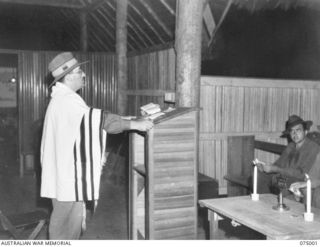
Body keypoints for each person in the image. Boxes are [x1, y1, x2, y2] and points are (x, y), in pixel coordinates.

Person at [40, 52, 153, 239]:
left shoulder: (64, 97)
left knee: (71, 221)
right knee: (63, 223)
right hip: (66, 174)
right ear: (68, 76)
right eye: (79, 71)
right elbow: (98, 121)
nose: (83, 74)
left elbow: (91, 116)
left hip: (64, 171)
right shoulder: (66, 100)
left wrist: (126, 118)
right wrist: (135, 125)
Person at [255, 115, 320, 208]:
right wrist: (266, 167)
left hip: (298, 181)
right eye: (292, 131)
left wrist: (276, 169)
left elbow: (302, 174)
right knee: (259, 175)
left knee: (280, 182)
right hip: (284, 179)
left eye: (298, 130)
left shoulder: (313, 148)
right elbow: (278, 164)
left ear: (305, 131)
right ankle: (261, 206)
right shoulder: (291, 146)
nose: (294, 134)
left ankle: (277, 204)